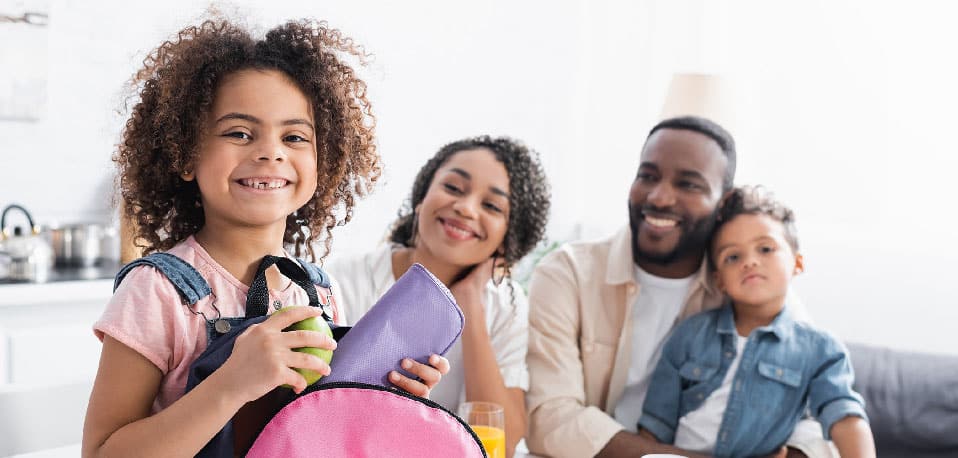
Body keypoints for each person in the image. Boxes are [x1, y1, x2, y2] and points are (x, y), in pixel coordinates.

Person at [82, 18, 449, 457]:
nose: (270, 151)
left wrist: (386, 399)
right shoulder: (157, 291)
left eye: (294, 136)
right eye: (239, 133)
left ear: (322, 165)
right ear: (186, 155)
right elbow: (101, 452)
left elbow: (323, 434)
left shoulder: (318, 293)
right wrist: (232, 384)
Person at [525, 116, 834, 458]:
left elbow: (819, 413)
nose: (659, 197)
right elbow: (551, 420)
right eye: (648, 176)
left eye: (689, 185)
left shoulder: (746, 281)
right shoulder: (567, 274)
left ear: (723, 203)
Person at [329, 135, 550, 457]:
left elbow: (503, 441)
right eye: (453, 188)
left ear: (508, 238)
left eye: (491, 206)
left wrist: (470, 304)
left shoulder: (505, 306)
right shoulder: (345, 280)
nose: (465, 207)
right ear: (422, 198)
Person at [638, 186, 875, 457]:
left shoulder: (820, 349)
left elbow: (844, 416)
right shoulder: (690, 334)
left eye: (765, 249)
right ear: (719, 281)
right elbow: (656, 423)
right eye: (733, 257)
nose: (750, 262)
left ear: (797, 263)